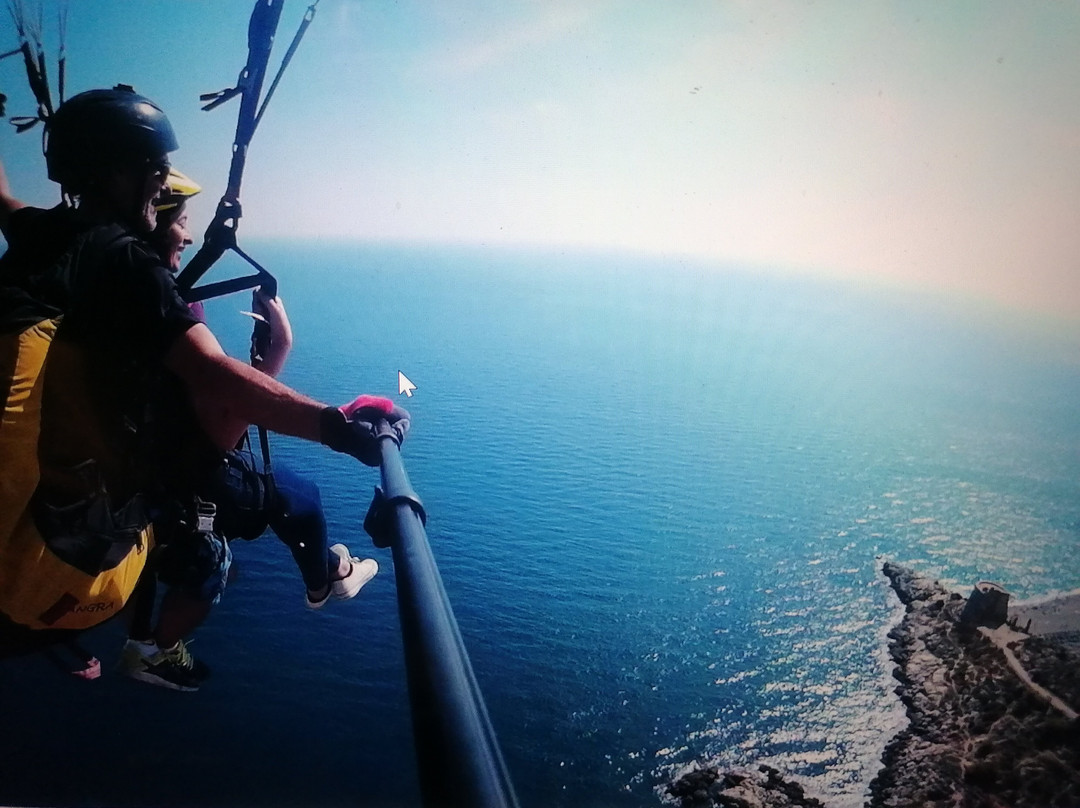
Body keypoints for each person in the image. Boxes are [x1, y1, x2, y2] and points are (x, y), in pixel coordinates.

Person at [0, 86, 408, 679]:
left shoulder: (42, 234)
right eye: (157, 172)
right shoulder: (128, 268)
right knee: (226, 537)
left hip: (28, 534)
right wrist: (339, 427)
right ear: (119, 174)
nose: (165, 189)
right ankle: (176, 638)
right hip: (72, 566)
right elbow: (216, 379)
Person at [117, 169, 378, 690]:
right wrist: (283, 369)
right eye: (181, 222)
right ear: (150, 214)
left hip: (133, 462)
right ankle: (154, 650)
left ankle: (327, 568)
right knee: (267, 521)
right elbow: (221, 415)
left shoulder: (102, 280)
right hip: (176, 477)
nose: (188, 237)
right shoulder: (163, 302)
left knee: (282, 497)